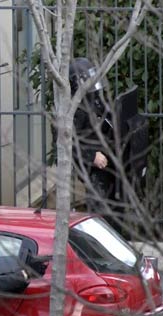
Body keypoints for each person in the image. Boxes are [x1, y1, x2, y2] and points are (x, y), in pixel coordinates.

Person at [69, 57, 116, 213]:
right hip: (93, 167)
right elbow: (66, 142)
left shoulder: (92, 100)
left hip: (107, 162)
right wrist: (91, 156)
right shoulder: (73, 109)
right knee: (99, 210)